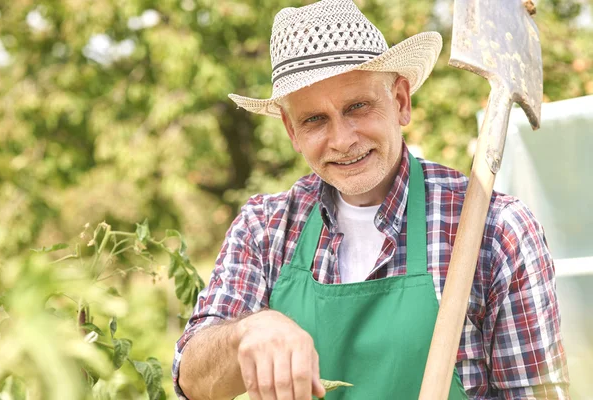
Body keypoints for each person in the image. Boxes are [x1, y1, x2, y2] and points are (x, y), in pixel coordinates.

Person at [173, 0, 570, 399]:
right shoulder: (265, 228)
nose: (343, 140)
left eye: (357, 107)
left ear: (400, 101)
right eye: (314, 120)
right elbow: (192, 380)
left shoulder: (496, 229)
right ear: (292, 133)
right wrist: (246, 331)